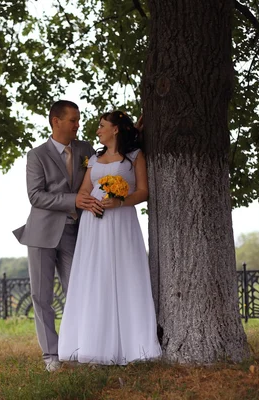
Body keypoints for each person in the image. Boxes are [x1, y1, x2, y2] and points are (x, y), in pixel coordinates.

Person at [58, 110, 161, 365]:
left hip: (122, 221)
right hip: (94, 225)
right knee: (97, 277)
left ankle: (133, 345)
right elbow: (84, 190)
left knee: (126, 275)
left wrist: (121, 201)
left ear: (115, 129)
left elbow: (143, 191)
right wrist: (88, 204)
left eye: (102, 126)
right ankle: (94, 344)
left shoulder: (134, 157)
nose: (97, 130)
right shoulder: (93, 159)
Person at [13, 100, 97, 372]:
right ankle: (51, 355)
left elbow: (109, 162)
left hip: (76, 233)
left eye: (78, 119)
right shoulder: (36, 155)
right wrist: (75, 199)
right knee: (42, 297)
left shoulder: (86, 150)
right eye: (73, 119)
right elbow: (35, 196)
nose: (77, 124)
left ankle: (81, 349)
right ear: (55, 121)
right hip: (41, 234)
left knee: (79, 292)